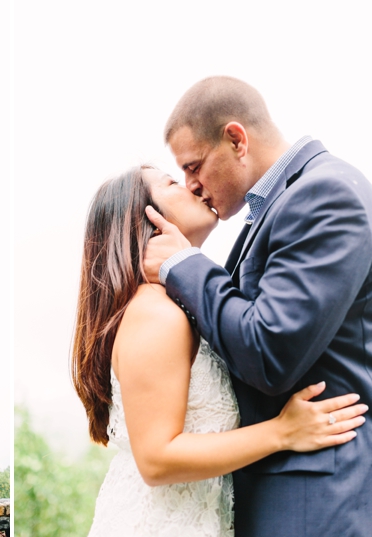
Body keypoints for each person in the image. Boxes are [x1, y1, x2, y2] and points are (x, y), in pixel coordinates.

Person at [72, 166, 368, 536]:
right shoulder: (155, 312)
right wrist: (282, 432)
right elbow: (156, 459)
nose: (192, 186)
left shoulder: (178, 306)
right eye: (172, 182)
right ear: (143, 220)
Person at [142, 76, 372, 536]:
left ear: (236, 139)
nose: (193, 186)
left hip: (313, 500)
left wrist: (186, 265)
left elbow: (270, 354)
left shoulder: (325, 194)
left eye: (194, 167)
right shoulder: (277, 206)